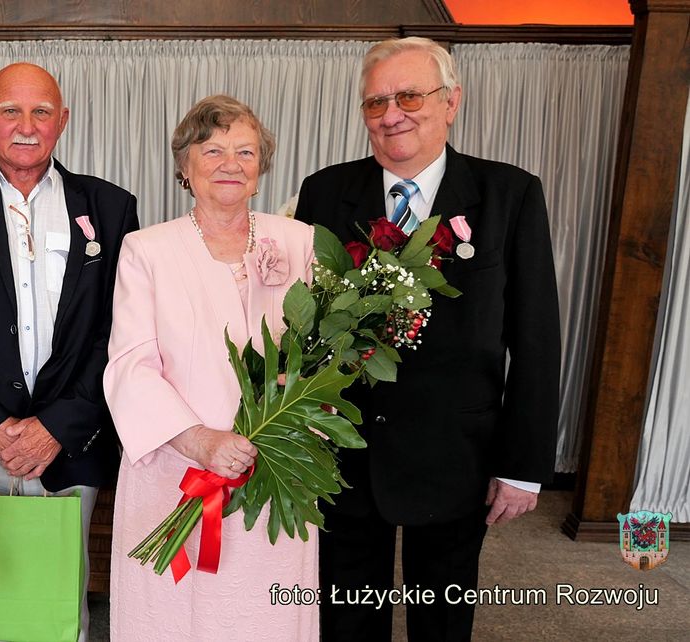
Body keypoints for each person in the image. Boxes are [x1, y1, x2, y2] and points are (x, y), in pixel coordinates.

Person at [294, 37, 560, 641]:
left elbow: (537, 339)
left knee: (442, 619)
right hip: (347, 452)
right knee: (345, 617)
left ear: (451, 102)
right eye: (376, 102)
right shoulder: (324, 193)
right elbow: (303, 324)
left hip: (457, 455)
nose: (393, 114)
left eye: (410, 95)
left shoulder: (509, 195)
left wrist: (523, 467)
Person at [0, 62, 139, 641]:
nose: (26, 126)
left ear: (62, 120)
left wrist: (57, 426)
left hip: (71, 436)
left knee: (60, 597)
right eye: (10, 111)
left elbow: (121, 331)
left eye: (41, 111)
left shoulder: (110, 207)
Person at [104, 95, 319, 641]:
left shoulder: (297, 242)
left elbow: (319, 353)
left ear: (261, 165)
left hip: (271, 471)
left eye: (245, 151)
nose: (231, 164)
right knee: (173, 617)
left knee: (262, 616)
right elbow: (131, 364)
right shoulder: (145, 249)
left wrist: (287, 429)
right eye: (214, 149)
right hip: (175, 471)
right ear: (185, 165)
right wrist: (200, 441)